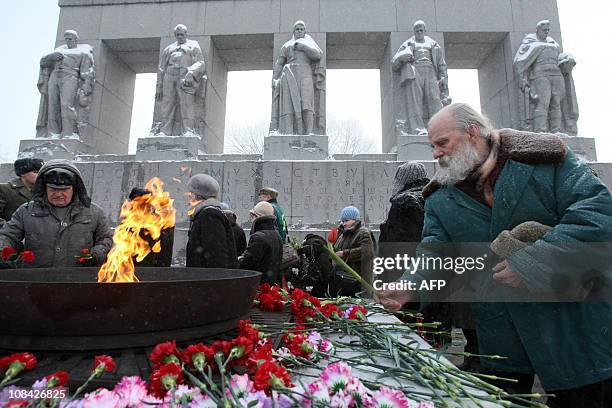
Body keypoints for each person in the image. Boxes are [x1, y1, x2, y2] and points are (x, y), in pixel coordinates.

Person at [375, 103, 612, 407]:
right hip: (502, 338)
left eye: (442, 143)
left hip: (574, 328)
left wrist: (531, 262)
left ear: (472, 132)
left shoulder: (546, 159)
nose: (435, 153)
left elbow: (598, 214)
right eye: (432, 146)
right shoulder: (439, 198)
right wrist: (409, 285)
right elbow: (435, 254)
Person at [0, 159, 112, 268]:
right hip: (35, 279)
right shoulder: (26, 211)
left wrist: (96, 255)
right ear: (44, 188)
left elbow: (107, 239)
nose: (58, 194)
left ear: (75, 189)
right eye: (52, 189)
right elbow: (8, 235)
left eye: (64, 189)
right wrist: (4, 250)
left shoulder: (94, 212)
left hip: (78, 280)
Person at [514, 20, 578, 134]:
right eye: (544, 30)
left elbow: (561, 59)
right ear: (538, 30)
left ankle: (556, 130)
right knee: (543, 102)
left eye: (548, 30)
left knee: (556, 102)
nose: (546, 32)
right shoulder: (530, 42)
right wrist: (522, 78)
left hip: (556, 74)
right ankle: (540, 130)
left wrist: (567, 59)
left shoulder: (553, 43)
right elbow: (520, 61)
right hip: (540, 75)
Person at [392, 20, 448, 135]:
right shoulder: (408, 44)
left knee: (434, 99)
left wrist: (443, 77)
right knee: (415, 100)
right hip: (415, 70)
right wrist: (403, 58)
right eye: (416, 30)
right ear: (414, 31)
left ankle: (438, 128)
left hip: (430, 70)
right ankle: (418, 129)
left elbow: (441, 63)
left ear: (425, 30)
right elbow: (394, 62)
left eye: (421, 30)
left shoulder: (433, 44)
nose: (419, 32)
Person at [270, 20, 325, 135]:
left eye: (302, 29)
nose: (299, 31)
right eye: (297, 29)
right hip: (289, 73)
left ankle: (309, 131)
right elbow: (279, 63)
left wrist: (303, 47)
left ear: (305, 31)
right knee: (288, 105)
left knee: (307, 103)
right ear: (293, 31)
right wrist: (275, 78)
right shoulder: (286, 46)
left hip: (305, 73)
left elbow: (317, 55)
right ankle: (289, 131)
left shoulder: (309, 43)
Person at [37, 30, 95, 138]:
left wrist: (86, 85)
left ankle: (68, 132)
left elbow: (86, 72)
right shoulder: (58, 51)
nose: (68, 41)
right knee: (52, 104)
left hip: (70, 77)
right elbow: (43, 63)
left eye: (70, 39)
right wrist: (50, 58)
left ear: (76, 40)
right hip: (54, 76)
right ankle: (53, 133)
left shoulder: (83, 53)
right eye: (66, 39)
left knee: (66, 104)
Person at [156, 24, 206, 136]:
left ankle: (188, 130)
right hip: (169, 76)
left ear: (186, 34)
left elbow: (201, 63)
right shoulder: (168, 48)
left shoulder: (193, 45)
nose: (180, 37)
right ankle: (165, 131)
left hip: (184, 76)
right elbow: (161, 68)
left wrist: (191, 73)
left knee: (186, 103)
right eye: (177, 35)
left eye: (182, 34)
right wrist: (159, 87)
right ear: (175, 35)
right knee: (167, 103)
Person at [185, 174, 237, 268]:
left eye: (190, 194)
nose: (188, 200)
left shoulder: (209, 215)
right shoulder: (205, 214)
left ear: (198, 196)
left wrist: (210, 280)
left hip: (208, 279)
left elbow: (216, 255)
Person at [332, 206, 374, 297]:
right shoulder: (343, 234)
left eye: (347, 220)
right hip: (345, 280)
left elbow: (367, 252)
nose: (344, 223)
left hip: (359, 280)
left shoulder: (363, 232)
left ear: (355, 220)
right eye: (343, 221)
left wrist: (344, 253)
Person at [128, 187, 174, 267]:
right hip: (131, 271)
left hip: (152, 271)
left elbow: (165, 256)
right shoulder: (129, 223)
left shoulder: (162, 225)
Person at [239, 201, 282, 284]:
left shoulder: (258, 237)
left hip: (259, 283)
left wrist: (239, 259)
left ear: (257, 216)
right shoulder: (276, 234)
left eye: (252, 215)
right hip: (271, 282)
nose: (250, 218)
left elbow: (248, 264)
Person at [0, 158, 44, 224]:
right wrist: (9, 229)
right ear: (23, 173)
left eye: (42, 172)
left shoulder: (45, 190)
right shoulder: (5, 189)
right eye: (36, 172)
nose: (40, 175)